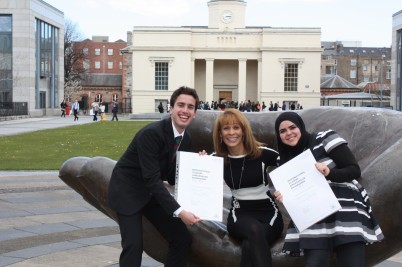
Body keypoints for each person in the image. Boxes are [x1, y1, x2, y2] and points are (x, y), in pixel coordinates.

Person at [273, 112, 384, 267]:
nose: (288, 133)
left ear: (301, 127)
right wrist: (284, 197)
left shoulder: (324, 138)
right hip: (314, 218)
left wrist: (330, 172)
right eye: (282, 131)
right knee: (315, 263)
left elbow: (353, 169)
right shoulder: (283, 160)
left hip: (345, 212)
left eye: (292, 127)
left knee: (352, 263)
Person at [107, 86, 202, 267]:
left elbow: (174, 179)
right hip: (129, 190)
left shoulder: (186, 139)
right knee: (134, 246)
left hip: (152, 193)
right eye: (181, 105)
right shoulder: (152, 134)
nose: (185, 110)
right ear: (171, 108)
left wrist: (197, 163)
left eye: (190, 107)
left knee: (182, 239)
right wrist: (180, 212)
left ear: (195, 113)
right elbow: (152, 179)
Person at [212, 108, 283, 267]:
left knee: (249, 245)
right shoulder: (217, 159)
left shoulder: (263, 153)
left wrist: (285, 189)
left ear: (243, 131)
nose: (231, 132)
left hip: (269, 213)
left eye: (236, 127)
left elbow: (291, 167)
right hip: (239, 214)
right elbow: (194, 174)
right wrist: (200, 161)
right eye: (226, 128)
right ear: (220, 133)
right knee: (254, 229)